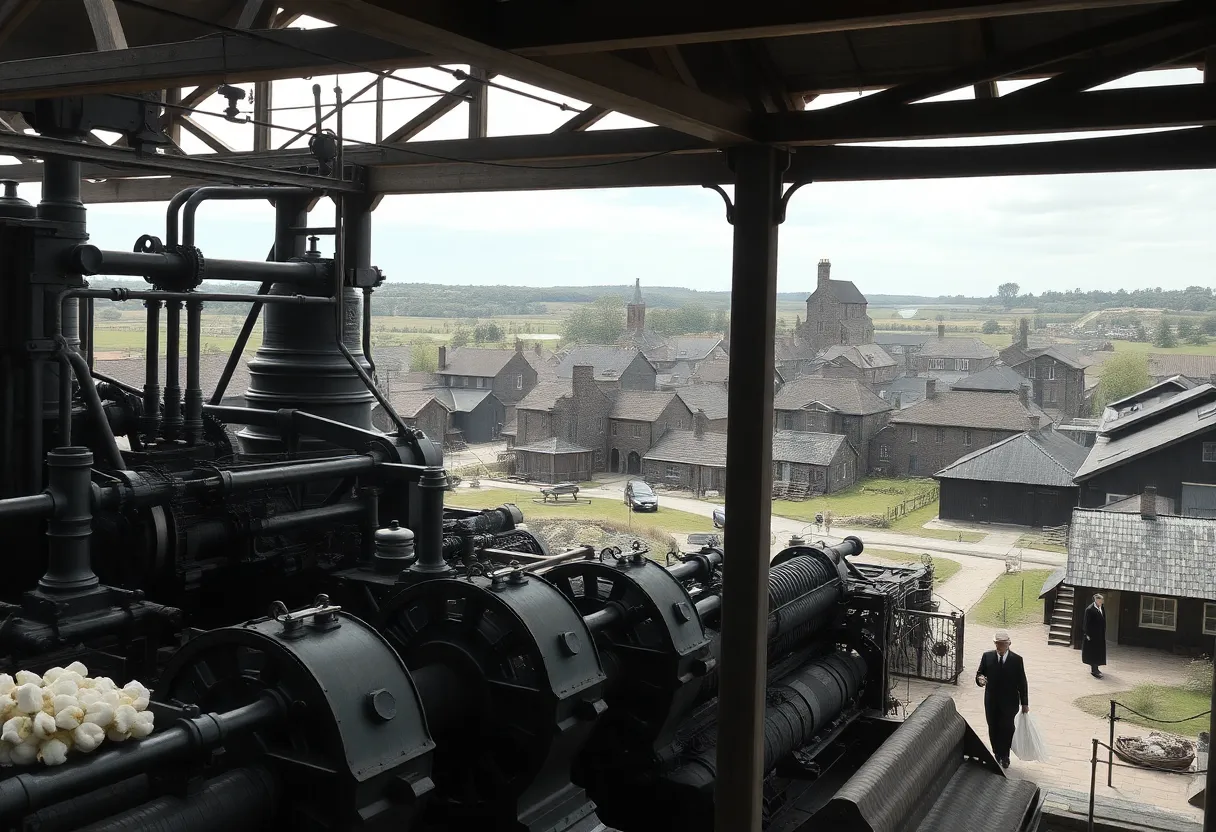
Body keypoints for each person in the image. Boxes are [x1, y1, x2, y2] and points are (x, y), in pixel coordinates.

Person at [975, 630, 1029, 769]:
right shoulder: (987, 656)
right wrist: (980, 679)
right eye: (997, 644)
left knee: (1007, 728)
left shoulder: (1017, 660)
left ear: (1008, 644)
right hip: (991, 700)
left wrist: (1025, 703)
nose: (1000, 647)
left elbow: (1022, 682)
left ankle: (1005, 755)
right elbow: (980, 673)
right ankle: (997, 753)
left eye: (1002, 644)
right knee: (993, 727)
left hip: (1009, 702)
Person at [1083, 593, 1107, 678]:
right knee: (1093, 652)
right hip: (1092, 635)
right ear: (1096, 600)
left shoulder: (1101, 608)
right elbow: (1086, 623)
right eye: (1100, 600)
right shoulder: (1089, 610)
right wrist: (1087, 634)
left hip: (1100, 634)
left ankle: (1097, 667)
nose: (1102, 602)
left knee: (1098, 651)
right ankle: (1094, 670)